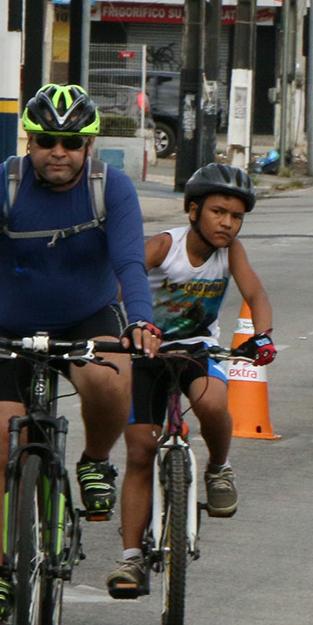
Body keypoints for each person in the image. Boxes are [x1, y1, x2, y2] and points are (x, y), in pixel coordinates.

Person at [0, 84, 162, 625]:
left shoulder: (110, 188)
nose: (59, 151)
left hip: (88, 317)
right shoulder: (0, 184)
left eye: (72, 142)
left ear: (88, 146)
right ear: (30, 142)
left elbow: (129, 264)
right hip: (12, 325)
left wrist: (142, 320)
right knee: (1, 446)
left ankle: (96, 461)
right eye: (48, 140)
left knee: (108, 380)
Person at [114, 165, 275, 596]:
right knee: (140, 450)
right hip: (146, 352)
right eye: (219, 212)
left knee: (211, 405)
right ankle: (130, 560)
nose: (227, 223)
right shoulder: (164, 246)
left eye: (237, 216)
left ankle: (219, 468)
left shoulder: (232, 252)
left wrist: (262, 336)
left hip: (199, 350)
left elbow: (255, 294)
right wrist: (121, 330)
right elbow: (117, 290)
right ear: (192, 210)